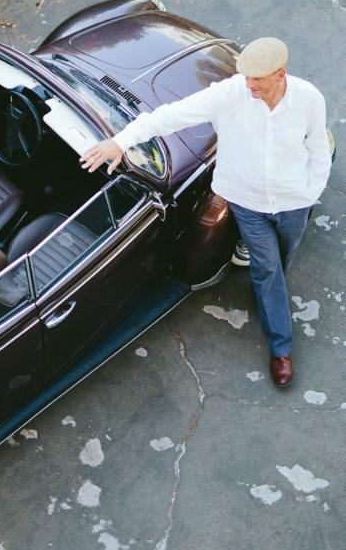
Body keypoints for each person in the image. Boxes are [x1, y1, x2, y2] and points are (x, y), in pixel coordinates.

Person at [80, 37, 331, 388]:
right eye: (246, 77)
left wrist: (310, 191)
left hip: (293, 202)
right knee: (267, 267)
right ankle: (281, 347)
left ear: (279, 74)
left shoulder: (308, 99)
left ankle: (269, 289)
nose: (249, 84)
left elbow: (318, 148)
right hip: (247, 202)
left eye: (257, 79)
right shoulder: (229, 94)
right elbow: (171, 116)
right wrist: (120, 142)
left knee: (284, 257)